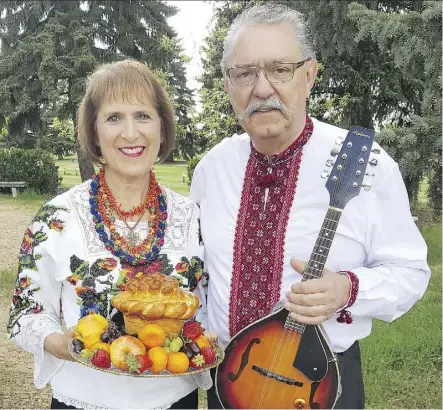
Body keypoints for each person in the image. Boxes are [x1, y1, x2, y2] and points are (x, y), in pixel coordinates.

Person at [190, 4, 431, 409]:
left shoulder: (366, 165)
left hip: (317, 387)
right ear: (228, 82)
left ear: (310, 74)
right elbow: (198, 275)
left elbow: (411, 273)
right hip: (229, 382)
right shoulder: (212, 168)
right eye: (245, 73)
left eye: (279, 69)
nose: (262, 88)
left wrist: (347, 289)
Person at [7, 59, 211, 409]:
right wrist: (58, 341)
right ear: (95, 133)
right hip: (83, 400)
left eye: (143, 116)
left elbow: (208, 307)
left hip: (176, 399)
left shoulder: (193, 217)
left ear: (162, 128)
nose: (130, 133)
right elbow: (25, 313)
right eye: (114, 118)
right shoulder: (57, 216)